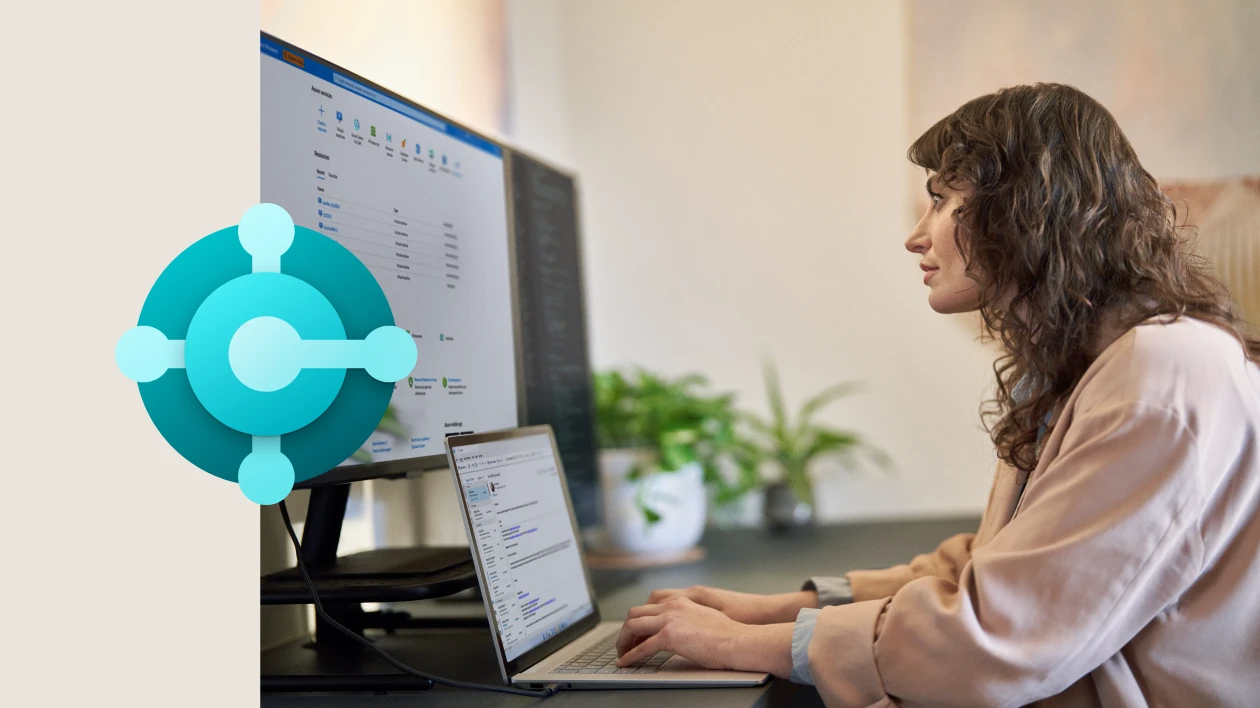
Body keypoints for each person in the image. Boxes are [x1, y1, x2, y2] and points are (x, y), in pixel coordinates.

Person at [613, 83, 1260, 707]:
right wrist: (776, 608)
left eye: (943, 200)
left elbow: (1000, 638)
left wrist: (745, 642)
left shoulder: (1161, 375)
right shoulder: (1086, 366)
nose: (916, 235)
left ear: (1027, 209)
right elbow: (995, 567)